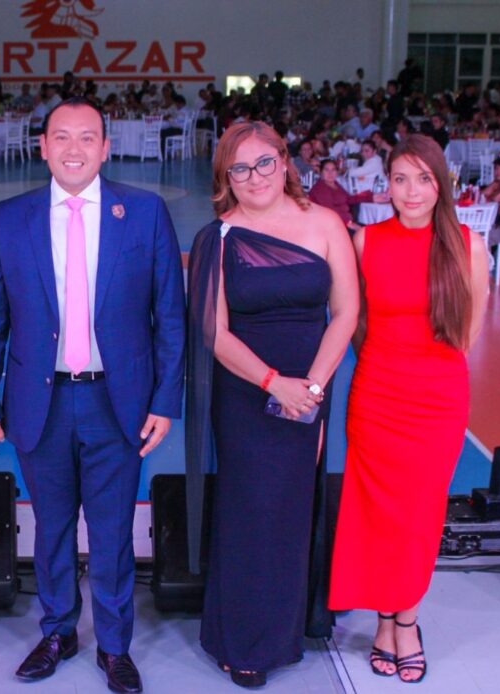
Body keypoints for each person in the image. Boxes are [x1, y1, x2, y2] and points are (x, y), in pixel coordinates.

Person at [0, 97, 186, 693]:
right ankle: (58, 631)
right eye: (61, 137)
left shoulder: (143, 213)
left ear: (106, 148)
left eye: (87, 137)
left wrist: (165, 400)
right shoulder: (10, 219)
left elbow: (169, 315)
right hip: (39, 402)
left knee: (112, 532)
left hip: (118, 401)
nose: (73, 149)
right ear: (42, 146)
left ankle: (114, 647)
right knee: (52, 527)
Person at [186, 121, 358, 689]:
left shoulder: (325, 223)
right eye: (239, 168)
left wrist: (312, 387)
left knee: (291, 509)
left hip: (310, 388)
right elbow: (213, 331)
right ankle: (241, 640)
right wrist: (271, 382)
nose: (254, 176)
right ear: (225, 178)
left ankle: (286, 632)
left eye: (264, 163)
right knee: (250, 512)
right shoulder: (218, 238)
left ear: (284, 163)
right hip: (245, 393)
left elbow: (347, 314)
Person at [330, 134, 489, 684]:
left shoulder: (468, 245)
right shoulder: (364, 241)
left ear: (441, 183)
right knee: (376, 516)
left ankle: (407, 621)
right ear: (387, 185)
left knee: (419, 518)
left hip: (437, 401)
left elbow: (467, 335)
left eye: (423, 179)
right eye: (400, 179)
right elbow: (354, 323)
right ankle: (384, 620)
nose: (412, 191)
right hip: (377, 396)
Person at [309, 159, 389, 232]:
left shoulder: (334, 184)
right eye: (326, 170)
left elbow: (348, 198)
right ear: (321, 172)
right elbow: (330, 211)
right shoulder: (320, 188)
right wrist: (349, 223)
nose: (330, 173)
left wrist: (371, 197)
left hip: (344, 222)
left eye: (333, 170)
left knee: (377, 230)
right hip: (334, 226)